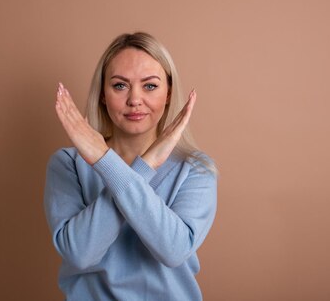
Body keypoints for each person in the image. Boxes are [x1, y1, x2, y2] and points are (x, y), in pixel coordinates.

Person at [44, 32, 218, 301]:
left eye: (150, 86)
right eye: (120, 86)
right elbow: (79, 253)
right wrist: (143, 166)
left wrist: (108, 162)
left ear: (168, 93)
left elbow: (173, 250)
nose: (135, 99)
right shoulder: (68, 163)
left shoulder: (195, 169)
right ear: (103, 94)